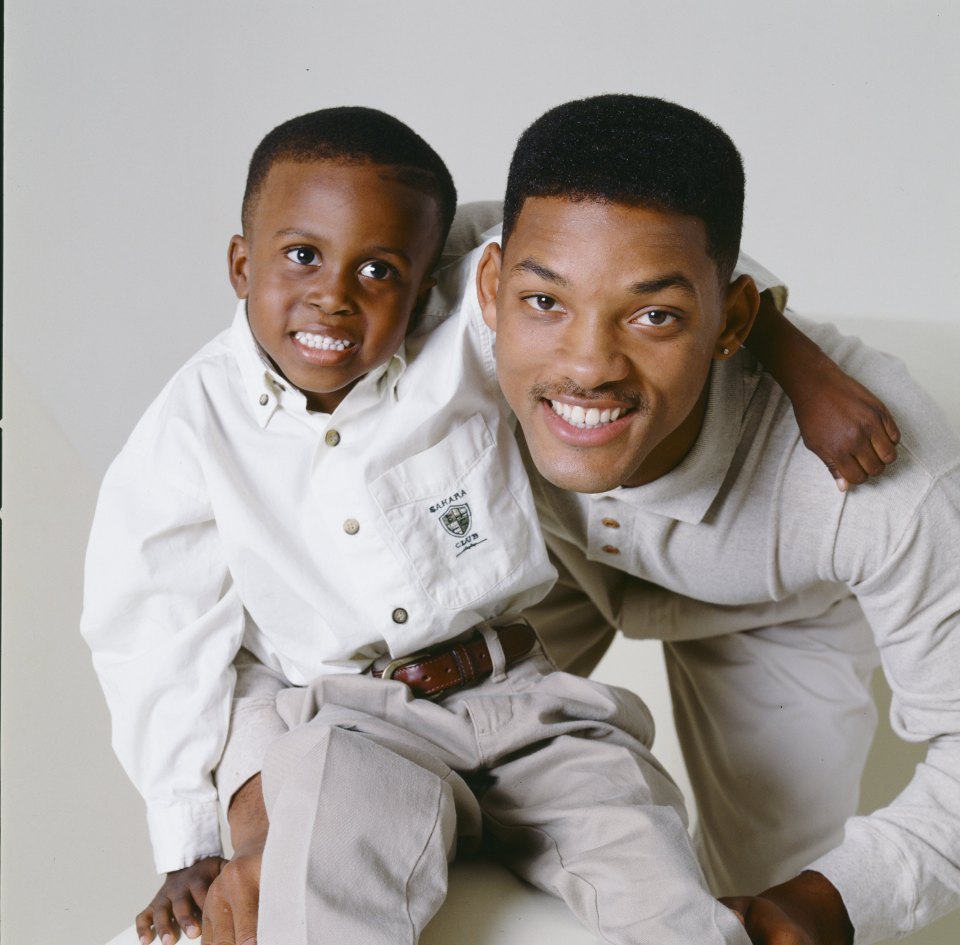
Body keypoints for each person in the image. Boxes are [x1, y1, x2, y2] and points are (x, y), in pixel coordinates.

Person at [82, 105, 840, 945]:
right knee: (326, 886)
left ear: (433, 274)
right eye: (301, 256)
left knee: (653, 870)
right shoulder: (191, 429)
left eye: (378, 270)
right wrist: (187, 837)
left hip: (526, 699)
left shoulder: (475, 322)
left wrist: (804, 366)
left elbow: (641, 262)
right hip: (351, 723)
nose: (333, 295)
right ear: (240, 263)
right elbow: (156, 629)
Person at [472, 95, 960, 943]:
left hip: (774, 607)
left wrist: (835, 899)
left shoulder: (888, 477)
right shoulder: (428, 303)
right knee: (420, 795)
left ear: (731, 319)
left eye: (654, 316)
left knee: (770, 899)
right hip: (546, 558)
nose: (587, 364)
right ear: (489, 284)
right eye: (544, 302)